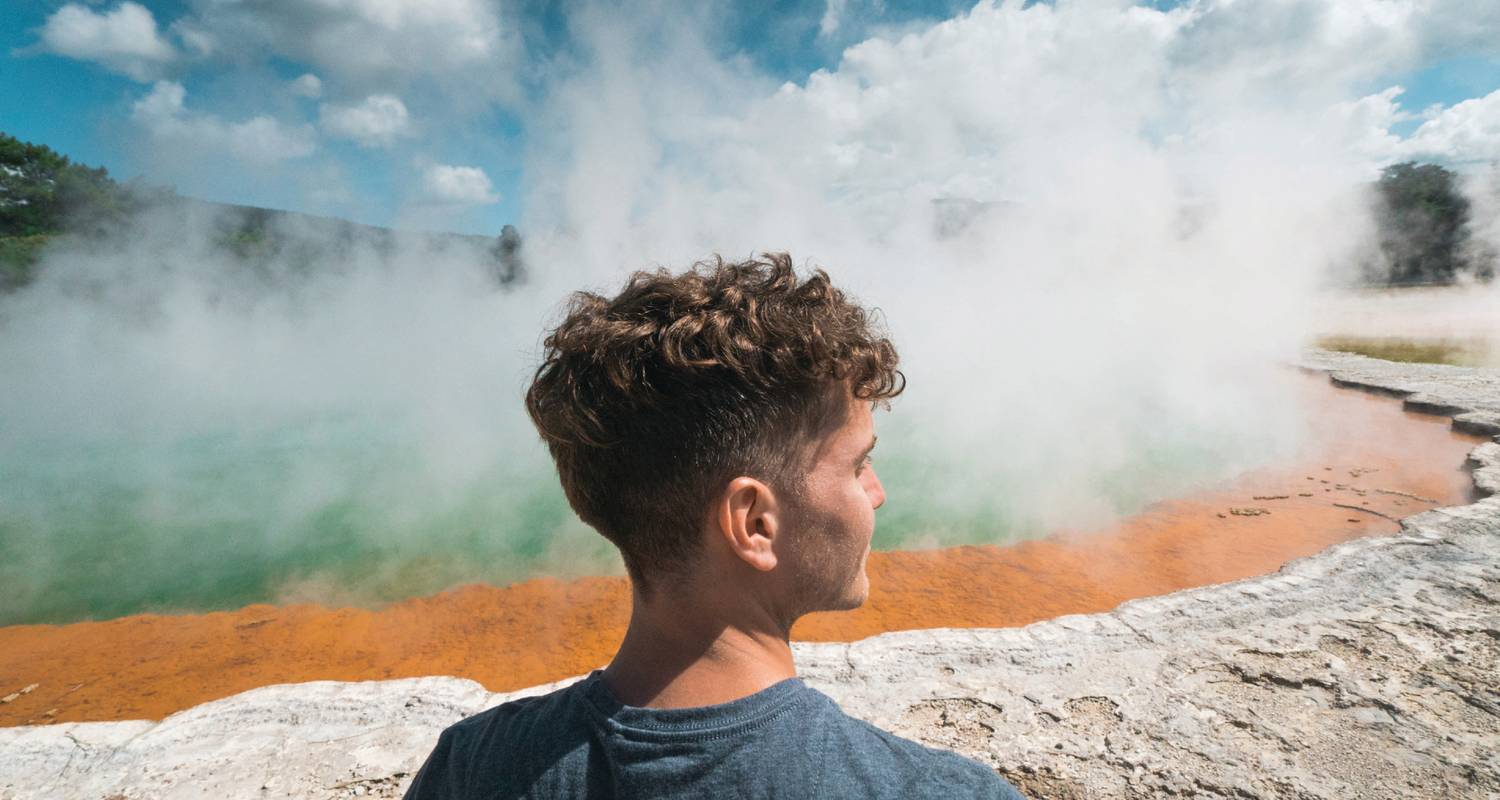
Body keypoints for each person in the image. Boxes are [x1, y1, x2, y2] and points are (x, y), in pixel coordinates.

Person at [404, 253, 1026, 799]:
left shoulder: (472, 764)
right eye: (859, 464)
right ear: (754, 523)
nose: (878, 494)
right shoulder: (937, 790)